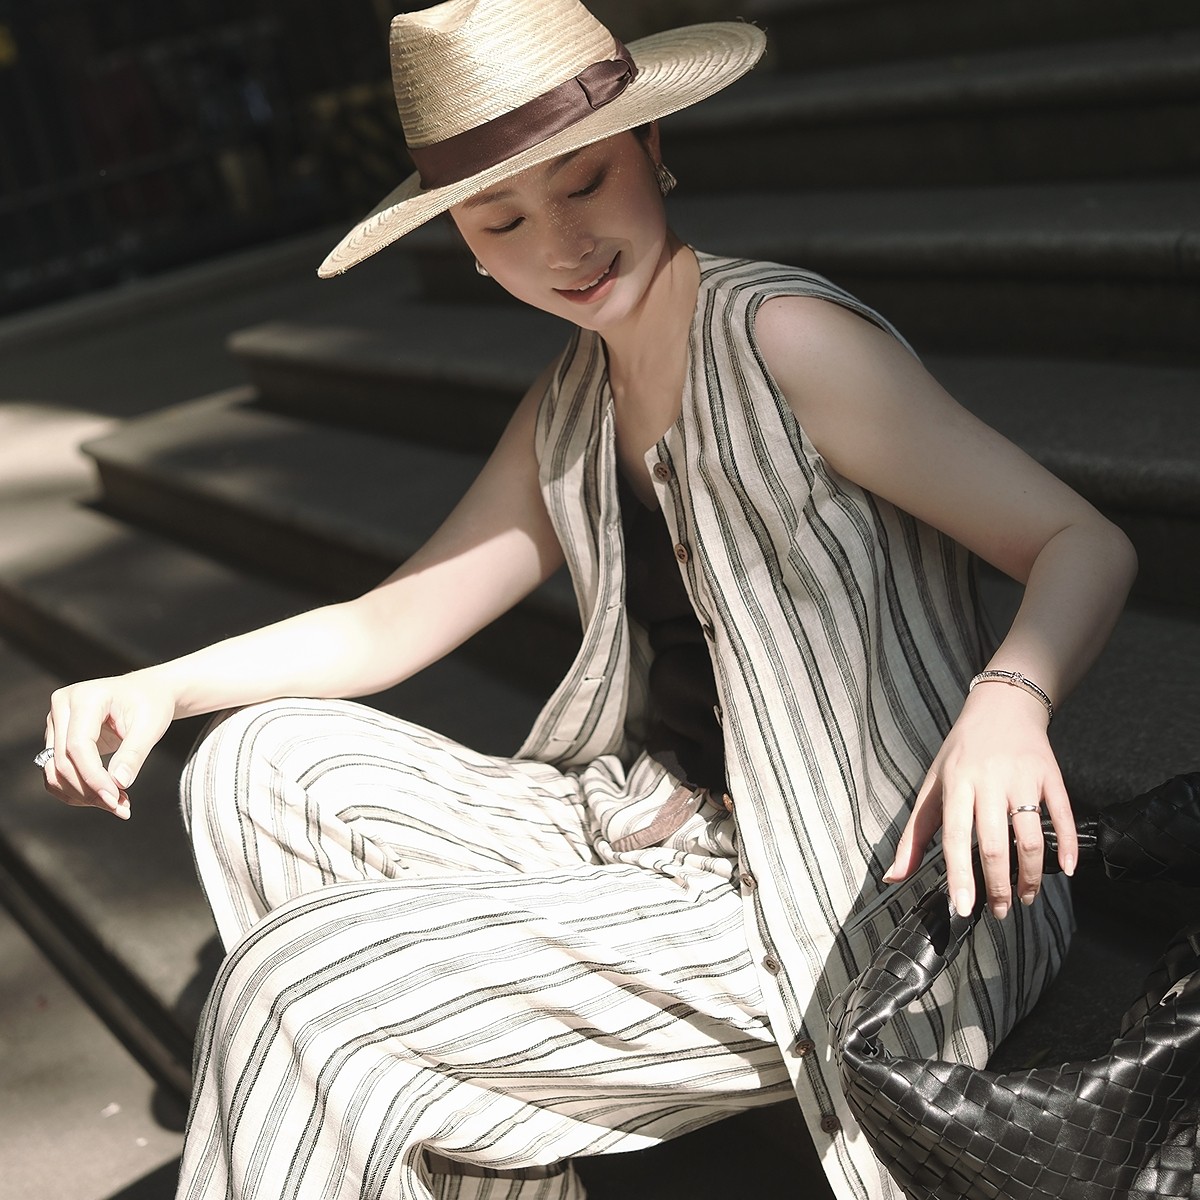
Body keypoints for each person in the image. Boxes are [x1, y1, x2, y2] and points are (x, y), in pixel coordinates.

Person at [37, 1, 1138, 1197]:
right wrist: (162, 685)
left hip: (868, 896)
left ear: (652, 147)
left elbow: (1080, 540)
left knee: (299, 986)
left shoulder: (790, 342)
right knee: (257, 765)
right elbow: (393, 621)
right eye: (504, 219)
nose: (563, 243)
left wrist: (1009, 701)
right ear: (465, 240)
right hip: (668, 836)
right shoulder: (573, 404)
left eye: (585, 181)